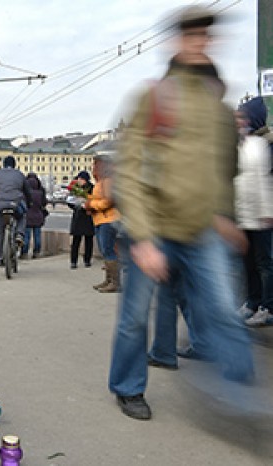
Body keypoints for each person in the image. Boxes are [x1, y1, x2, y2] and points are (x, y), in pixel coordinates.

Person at [109, 5, 254, 421]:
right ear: (176, 41)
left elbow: (227, 168)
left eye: (206, 37)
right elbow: (130, 170)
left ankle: (240, 398)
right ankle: (127, 387)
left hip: (204, 229)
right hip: (154, 228)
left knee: (225, 311)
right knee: (135, 318)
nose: (200, 43)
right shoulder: (154, 96)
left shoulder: (219, 108)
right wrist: (142, 237)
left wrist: (226, 215)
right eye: (192, 36)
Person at [235, 97, 273, 327]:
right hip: (246, 215)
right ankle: (252, 302)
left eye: (243, 117)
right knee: (248, 262)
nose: (240, 121)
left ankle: (268, 307)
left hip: (263, 214)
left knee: (265, 263)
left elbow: (266, 182)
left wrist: (267, 211)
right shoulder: (244, 144)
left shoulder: (267, 144)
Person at [84, 155, 121, 291]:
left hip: (108, 220)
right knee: (105, 250)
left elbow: (109, 201)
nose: (93, 168)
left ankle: (115, 283)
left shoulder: (108, 181)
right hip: (99, 219)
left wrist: (91, 204)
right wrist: (88, 202)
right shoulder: (100, 182)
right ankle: (109, 280)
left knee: (108, 249)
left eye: (95, 165)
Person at [0, 156, 32, 267]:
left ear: (3, 165)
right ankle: (19, 234)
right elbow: (27, 191)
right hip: (15, 203)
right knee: (22, 216)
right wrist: (30, 203)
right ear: (15, 165)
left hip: (0, 204)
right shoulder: (19, 174)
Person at [67, 171, 95, 269]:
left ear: (85, 180)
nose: (78, 180)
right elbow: (70, 202)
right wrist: (75, 205)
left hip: (88, 216)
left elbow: (96, 201)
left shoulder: (92, 188)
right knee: (76, 240)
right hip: (78, 216)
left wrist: (88, 205)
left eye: (80, 179)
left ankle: (87, 260)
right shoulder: (75, 188)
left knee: (89, 240)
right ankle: (73, 261)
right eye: (78, 179)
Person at [20, 173, 48, 259]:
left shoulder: (24, 192)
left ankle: (24, 253)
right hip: (38, 216)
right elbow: (44, 203)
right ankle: (36, 252)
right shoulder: (41, 191)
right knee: (37, 236)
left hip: (27, 216)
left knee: (26, 236)